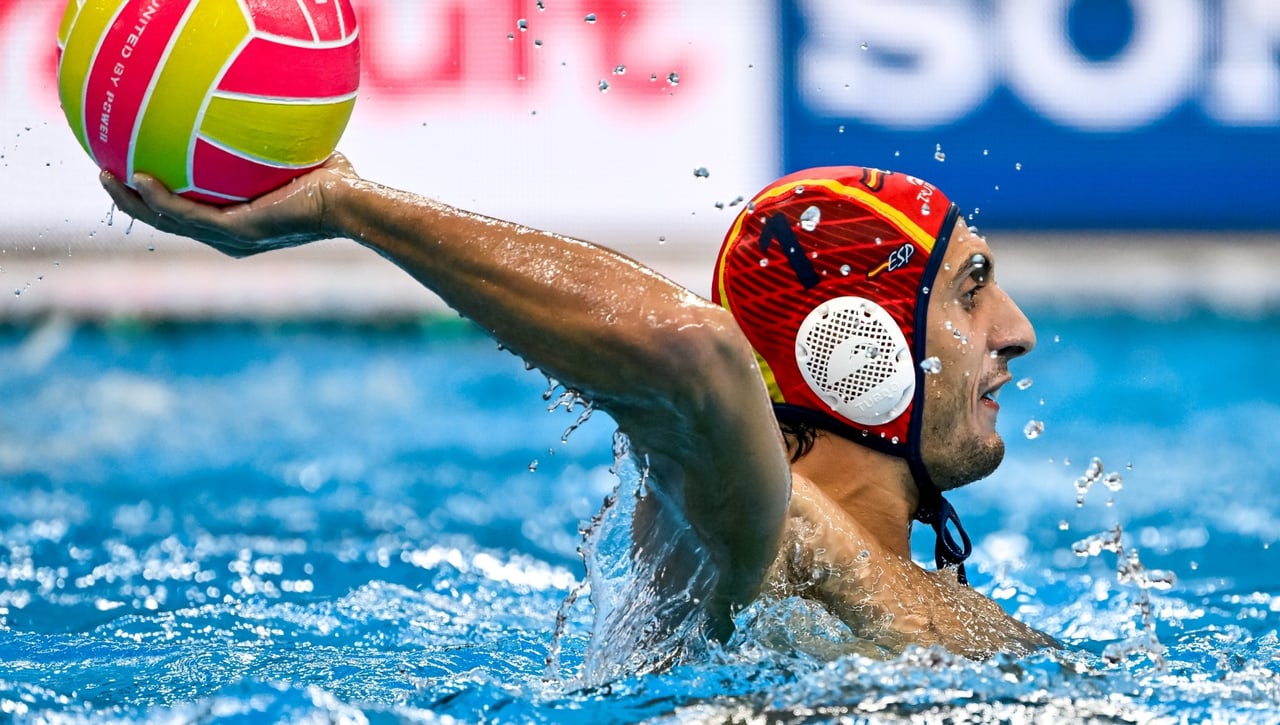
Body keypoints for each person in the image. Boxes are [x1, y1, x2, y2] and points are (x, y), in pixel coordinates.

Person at [100, 156, 1057, 664]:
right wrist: (347, 204)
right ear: (853, 346)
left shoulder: (958, 613)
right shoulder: (755, 527)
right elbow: (692, 350)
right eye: (970, 289)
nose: (1014, 331)